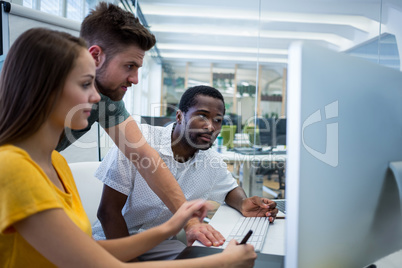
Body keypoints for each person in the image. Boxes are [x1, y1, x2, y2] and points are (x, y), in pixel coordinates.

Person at [0, 28, 257, 267]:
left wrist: (177, 224)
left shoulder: (57, 163)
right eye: (84, 84)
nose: (96, 97)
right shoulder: (14, 167)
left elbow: (91, 252)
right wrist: (224, 261)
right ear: (46, 89)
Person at [56, 2, 199, 240]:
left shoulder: (106, 99)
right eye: (129, 66)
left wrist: (191, 222)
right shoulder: (28, 84)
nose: (135, 79)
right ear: (95, 56)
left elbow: (144, 156)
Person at [93, 85, 278, 260]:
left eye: (218, 120)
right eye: (202, 116)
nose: (211, 127)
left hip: (161, 245)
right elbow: (108, 212)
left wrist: (243, 203)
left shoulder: (211, 160)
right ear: (180, 116)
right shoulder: (139, 141)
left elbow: (230, 190)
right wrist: (131, 262)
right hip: (113, 241)